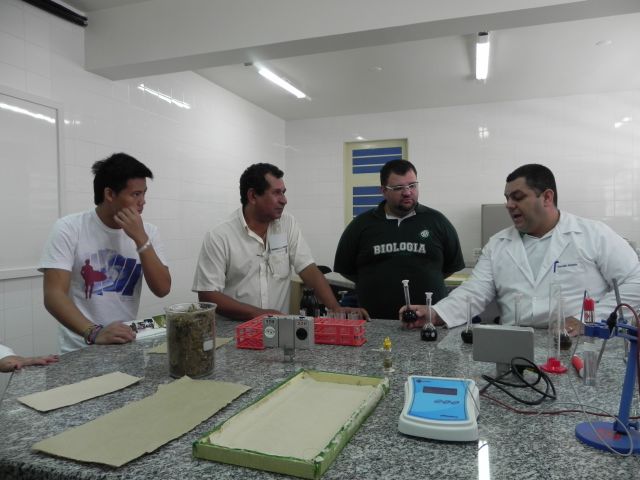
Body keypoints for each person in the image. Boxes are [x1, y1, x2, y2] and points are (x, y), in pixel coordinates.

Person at [401, 164, 640, 333]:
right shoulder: (498, 244)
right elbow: (474, 292)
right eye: (507, 198)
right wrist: (435, 313)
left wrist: (587, 320)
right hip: (514, 346)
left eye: (517, 197)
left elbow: (635, 281)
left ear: (547, 197)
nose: (509, 205)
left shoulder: (593, 234)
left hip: (578, 344)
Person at [193, 163, 367, 321]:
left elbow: (308, 269)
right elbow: (208, 295)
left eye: (283, 192)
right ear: (253, 196)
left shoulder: (287, 224)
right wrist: (257, 314)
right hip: (235, 332)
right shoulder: (220, 236)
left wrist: (335, 308)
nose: (284, 200)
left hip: (277, 331)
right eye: (276, 193)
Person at [40, 153, 171, 353]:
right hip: (80, 349)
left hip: (124, 344)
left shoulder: (148, 232)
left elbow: (162, 289)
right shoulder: (69, 228)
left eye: (144, 194)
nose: (142, 201)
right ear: (110, 194)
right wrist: (95, 332)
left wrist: (141, 239)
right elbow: (53, 295)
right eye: (135, 194)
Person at [333, 159, 465, 319]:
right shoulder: (361, 225)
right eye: (398, 188)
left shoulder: (437, 222)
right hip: (375, 321)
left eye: (412, 185)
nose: (407, 192)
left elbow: (451, 266)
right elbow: (346, 269)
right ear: (383, 190)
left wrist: (427, 277)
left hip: (429, 321)